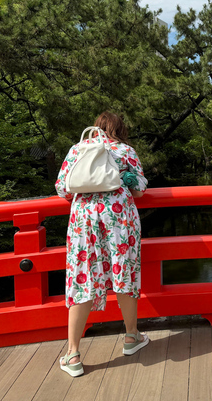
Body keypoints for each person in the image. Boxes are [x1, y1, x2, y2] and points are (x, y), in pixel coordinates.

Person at [55, 111, 149, 377]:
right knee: (124, 273)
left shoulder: (78, 149)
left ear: (96, 127)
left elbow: (63, 189)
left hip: (84, 219)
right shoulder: (126, 151)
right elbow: (140, 189)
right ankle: (131, 337)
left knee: (82, 277)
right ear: (120, 129)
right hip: (119, 218)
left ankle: (73, 354)